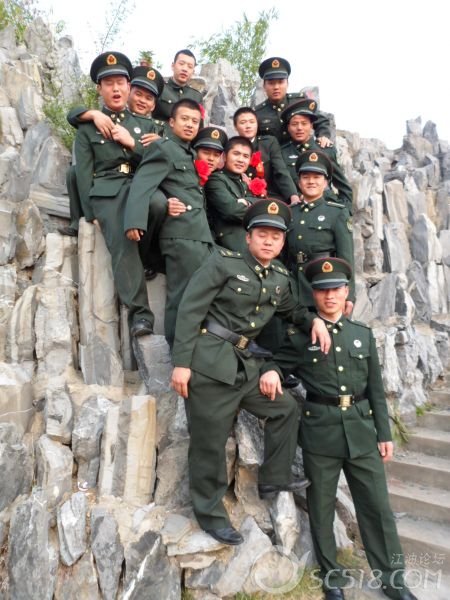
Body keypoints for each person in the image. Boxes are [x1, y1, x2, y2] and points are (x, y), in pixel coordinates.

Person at [171, 199, 331, 546]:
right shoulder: (223, 263)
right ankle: (211, 515)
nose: (269, 241)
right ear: (249, 237)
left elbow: (293, 312)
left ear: (283, 242)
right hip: (211, 364)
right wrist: (181, 363)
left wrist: (315, 321)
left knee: (285, 408)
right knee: (209, 444)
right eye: (262, 234)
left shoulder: (278, 278)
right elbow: (189, 310)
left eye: (276, 236)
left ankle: (273, 477)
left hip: (246, 366)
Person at [260, 257, 418, 600]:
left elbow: (376, 389)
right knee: (321, 508)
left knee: (377, 509)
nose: (329, 296)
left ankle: (393, 580)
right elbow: (276, 363)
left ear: (346, 291)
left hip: (362, 433)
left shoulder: (362, 334)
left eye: (335, 289)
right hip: (321, 434)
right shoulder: (299, 337)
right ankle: (332, 579)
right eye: (322, 290)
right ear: (313, 295)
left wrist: (384, 434)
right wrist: (271, 371)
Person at [73, 51, 155, 337]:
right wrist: (90, 213)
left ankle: (149, 257)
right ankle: (140, 315)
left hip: (139, 187)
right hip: (108, 191)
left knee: (159, 205)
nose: (116, 89)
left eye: (121, 82)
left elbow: (158, 162)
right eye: (109, 83)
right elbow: (83, 172)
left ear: (129, 86)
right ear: (100, 89)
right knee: (123, 240)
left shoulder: (146, 126)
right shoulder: (88, 128)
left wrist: (134, 144)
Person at [125, 98, 214, 346]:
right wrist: (135, 221)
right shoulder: (163, 148)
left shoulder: (191, 154)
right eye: (184, 119)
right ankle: (177, 352)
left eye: (195, 121)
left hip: (200, 236)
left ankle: (195, 352)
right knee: (182, 297)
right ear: (171, 122)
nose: (190, 125)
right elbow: (143, 184)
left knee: (201, 298)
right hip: (180, 235)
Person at [58, 65, 166, 237]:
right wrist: (93, 114)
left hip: (134, 180)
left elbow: (160, 160)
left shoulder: (152, 127)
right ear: (130, 91)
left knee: (157, 203)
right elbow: (73, 115)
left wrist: (138, 143)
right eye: (138, 94)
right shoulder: (102, 117)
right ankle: (78, 220)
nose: (142, 101)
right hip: (105, 180)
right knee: (74, 172)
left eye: (148, 98)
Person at [286, 150, 355, 314]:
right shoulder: (289, 212)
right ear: (299, 182)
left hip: (323, 285)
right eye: (306, 177)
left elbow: (346, 256)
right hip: (292, 287)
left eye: (317, 177)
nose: (311, 181)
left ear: (325, 183)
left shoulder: (337, 213)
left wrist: (349, 295)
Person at [280, 98, 353, 211]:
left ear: (311, 126)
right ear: (288, 128)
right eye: (294, 124)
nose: (299, 128)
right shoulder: (282, 152)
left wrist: (344, 212)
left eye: (304, 123)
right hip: (296, 209)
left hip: (326, 207)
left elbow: (343, 187)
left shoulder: (325, 149)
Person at [254, 56, 332, 147]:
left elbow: (321, 121)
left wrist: (323, 136)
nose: (276, 87)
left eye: (281, 82)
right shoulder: (257, 113)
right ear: (264, 86)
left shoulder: (300, 102)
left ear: (287, 84)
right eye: (271, 83)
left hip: (301, 154)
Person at [233, 106, 300, 204]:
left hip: (269, 197)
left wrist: (293, 195)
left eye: (252, 122)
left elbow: (280, 171)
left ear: (257, 124)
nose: (248, 126)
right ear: (235, 127)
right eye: (243, 122)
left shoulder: (268, 143)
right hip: (243, 198)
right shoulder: (231, 148)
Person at [204, 136, 259, 252]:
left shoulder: (243, 182)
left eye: (245, 156)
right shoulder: (216, 179)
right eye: (236, 154)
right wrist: (256, 208)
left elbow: (259, 203)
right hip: (228, 245)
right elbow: (232, 210)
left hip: (248, 241)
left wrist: (247, 202)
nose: (240, 160)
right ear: (224, 156)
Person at [152, 49, 204, 123]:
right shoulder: (160, 89)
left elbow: (199, 125)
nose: (185, 69)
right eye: (181, 64)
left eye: (189, 67)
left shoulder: (197, 96)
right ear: (173, 66)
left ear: (193, 72)